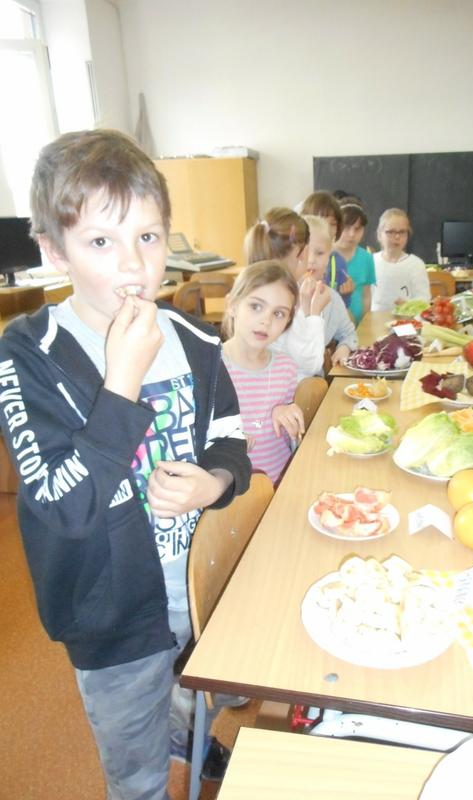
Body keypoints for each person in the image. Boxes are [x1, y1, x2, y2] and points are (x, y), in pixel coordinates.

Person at [0, 128, 251, 799]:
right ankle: (155, 754)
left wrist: (214, 482)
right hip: (112, 616)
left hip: (194, 586)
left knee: (196, 688)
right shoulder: (27, 353)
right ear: (54, 251)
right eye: (100, 242)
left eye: (148, 236)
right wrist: (122, 384)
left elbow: (231, 440)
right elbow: (63, 507)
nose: (134, 265)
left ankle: (186, 732)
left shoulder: (195, 339)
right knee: (137, 775)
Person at [222, 261, 304, 483]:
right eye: (256, 306)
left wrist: (288, 416)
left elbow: (292, 442)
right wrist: (224, 443)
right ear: (232, 305)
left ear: (288, 321)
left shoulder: (286, 368)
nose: (266, 320)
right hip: (232, 492)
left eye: (278, 313)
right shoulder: (210, 367)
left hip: (281, 485)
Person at [243, 207, 329, 380]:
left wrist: (305, 308)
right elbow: (311, 364)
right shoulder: (283, 297)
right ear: (303, 253)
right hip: (282, 389)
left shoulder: (254, 287)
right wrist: (315, 314)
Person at [303, 214, 358, 366]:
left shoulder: (332, 298)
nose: (311, 260)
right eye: (305, 252)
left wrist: (344, 347)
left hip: (316, 376)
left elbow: (349, 333)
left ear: (329, 257)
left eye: (320, 253)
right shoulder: (284, 298)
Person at [300, 191, 354, 305]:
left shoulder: (338, 263)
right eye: (319, 220)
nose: (326, 227)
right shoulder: (293, 266)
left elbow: (341, 311)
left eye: (332, 224)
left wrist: (345, 296)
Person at [372, 208, 430, 311]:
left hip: (405, 319)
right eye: (391, 232)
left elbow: (424, 298)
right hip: (375, 318)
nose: (397, 237)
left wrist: (409, 305)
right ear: (380, 234)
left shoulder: (416, 264)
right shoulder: (371, 261)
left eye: (402, 232)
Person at [335, 198, 376, 323]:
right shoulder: (325, 255)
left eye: (357, 229)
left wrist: (365, 322)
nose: (352, 234)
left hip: (357, 324)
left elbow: (366, 295)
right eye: (346, 228)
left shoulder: (367, 258)